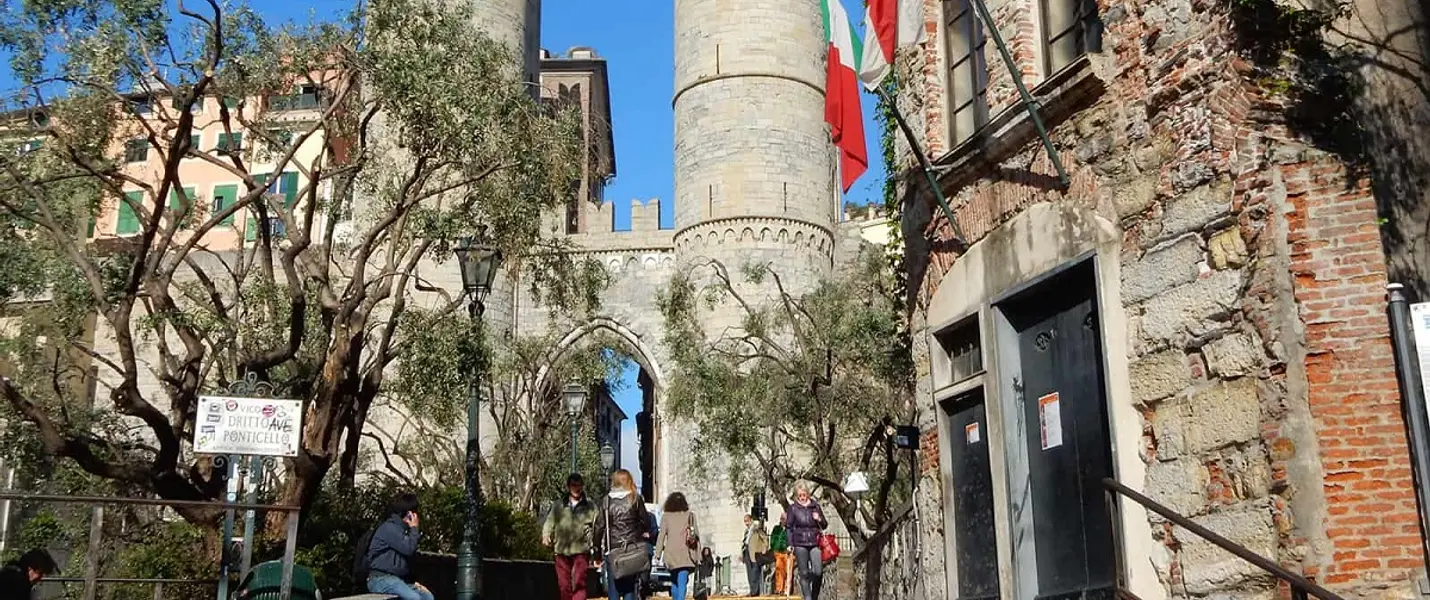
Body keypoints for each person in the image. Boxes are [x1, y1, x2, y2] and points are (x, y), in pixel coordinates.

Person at [594, 469, 650, 600]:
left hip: (612, 549)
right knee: (629, 588)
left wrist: (596, 553)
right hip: (632, 548)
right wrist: (638, 532)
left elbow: (599, 527)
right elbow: (645, 522)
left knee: (613, 587)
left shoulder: (607, 501)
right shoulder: (635, 498)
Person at [366, 492, 433, 600]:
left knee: (427, 597)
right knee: (414, 598)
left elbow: (407, 562)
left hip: (397, 579)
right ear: (409, 513)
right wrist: (415, 528)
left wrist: (414, 582)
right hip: (380, 578)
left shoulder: (403, 530)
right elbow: (408, 549)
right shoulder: (390, 528)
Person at [544, 473, 600, 600]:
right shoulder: (558, 505)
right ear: (568, 487)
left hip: (581, 550)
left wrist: (596, 544)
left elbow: (598, 525)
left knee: (579, 583)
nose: (577, 488)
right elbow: (549, 521)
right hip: (561, 551)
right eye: (573, 485)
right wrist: (546, 535)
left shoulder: (590, 506)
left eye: (579, 485)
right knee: (564, 585)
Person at [783, 482, 828, 600]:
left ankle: (814, 596)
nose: (802, 498)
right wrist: (789, 544)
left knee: (818, 571)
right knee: (804, 573)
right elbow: (789, 527)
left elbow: (824, 525)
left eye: (804, 495)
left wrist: (819, 518)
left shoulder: (815, 506)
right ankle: (808, 597)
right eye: (799, 496)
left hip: (815, 542)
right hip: (800, 543)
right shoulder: (793, 508)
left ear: (808, 494)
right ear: (796, 496)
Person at [653, 492, 700, 600]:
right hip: (686, 552)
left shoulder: (666, 517)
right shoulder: (690, 515)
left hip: (671, 553)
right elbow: (696, 534)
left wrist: (658, 554)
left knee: (674, 580)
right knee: (682, 579)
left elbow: (661, 536)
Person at [740, 514, 769, 597]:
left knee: (755, 572)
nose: (746, 523)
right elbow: (744, 542)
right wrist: (742, 554)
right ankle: (752, 590)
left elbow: (765, 538)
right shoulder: (746, 531)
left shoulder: (756, 528)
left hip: (755, 552)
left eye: (747, 521)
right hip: (747, 552)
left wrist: (765, 548)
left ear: (751, 520)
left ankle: (754, 592)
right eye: (745, 521)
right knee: (749, 573)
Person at [770, 521, 792, 596]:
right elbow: (772, 538)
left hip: (787, 552)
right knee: (779, 570)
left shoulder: (790, 528)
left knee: (787, 571)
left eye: (784, 519)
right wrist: (773, 547)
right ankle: (779, 588)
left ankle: (786, 589)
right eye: (782, 518)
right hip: (778, 552)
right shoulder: (776, 529)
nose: (783, 520)